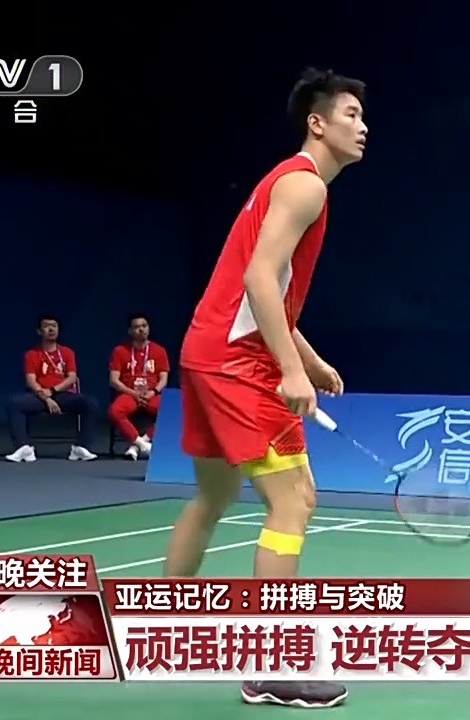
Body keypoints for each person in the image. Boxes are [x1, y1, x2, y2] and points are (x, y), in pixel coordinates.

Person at [168, 67, 362, 708]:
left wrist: (310, 358)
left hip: (205, 350)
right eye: (351, 115)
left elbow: (266, 291)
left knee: (212, 497)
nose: (362, 127)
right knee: (295, 500)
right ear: (317, 123)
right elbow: (258, 279)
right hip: (237, 364)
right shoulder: (305, 186)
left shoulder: (284, 181)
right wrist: (289, 371)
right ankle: (272, 666)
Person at [5, 315, 99, 462]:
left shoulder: (67, 352)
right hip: (39, 396)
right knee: (13, 403)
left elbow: (72, 378)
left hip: (63, 395)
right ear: (39, 331)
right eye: (47, 326)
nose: (51, 329)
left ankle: (80, 448)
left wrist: (53, 391)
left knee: (90, 403)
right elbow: (31, 381)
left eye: (54, 326)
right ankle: (24, 448)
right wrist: (47, 398)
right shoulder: (32, 354)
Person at [107, 313, 170, 460]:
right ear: (130, 331)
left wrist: (153, 392)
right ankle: (142, 444)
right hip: (129, 393)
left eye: (144, 326)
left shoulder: (159, 350)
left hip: (151, 394)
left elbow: (164, 379)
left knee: (173, 412)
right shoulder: (120, 350)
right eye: (136, 327)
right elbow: (113, 381)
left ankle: (138, 444)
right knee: (114, 412)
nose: (141, 330)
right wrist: (133, 393)